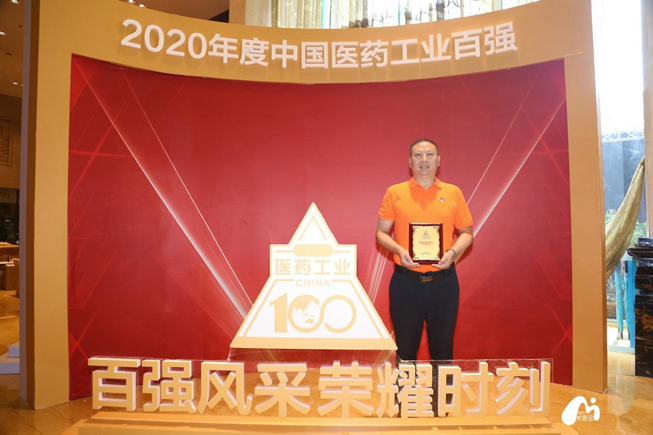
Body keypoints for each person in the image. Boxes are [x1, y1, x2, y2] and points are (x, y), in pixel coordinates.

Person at [376, 139, 473, 361]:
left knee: (443, 350)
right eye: (418, 155)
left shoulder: (453, 192)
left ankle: (442, 386)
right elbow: (381, 233)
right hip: (406, 283)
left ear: (438, 160)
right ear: (409, 161)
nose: (424, 159)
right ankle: (406, 386)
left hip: (444, 283)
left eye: (429, 154)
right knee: (405, 350)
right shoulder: (395, 192)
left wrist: (453, 253)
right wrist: (399, 250)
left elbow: (467, 233)